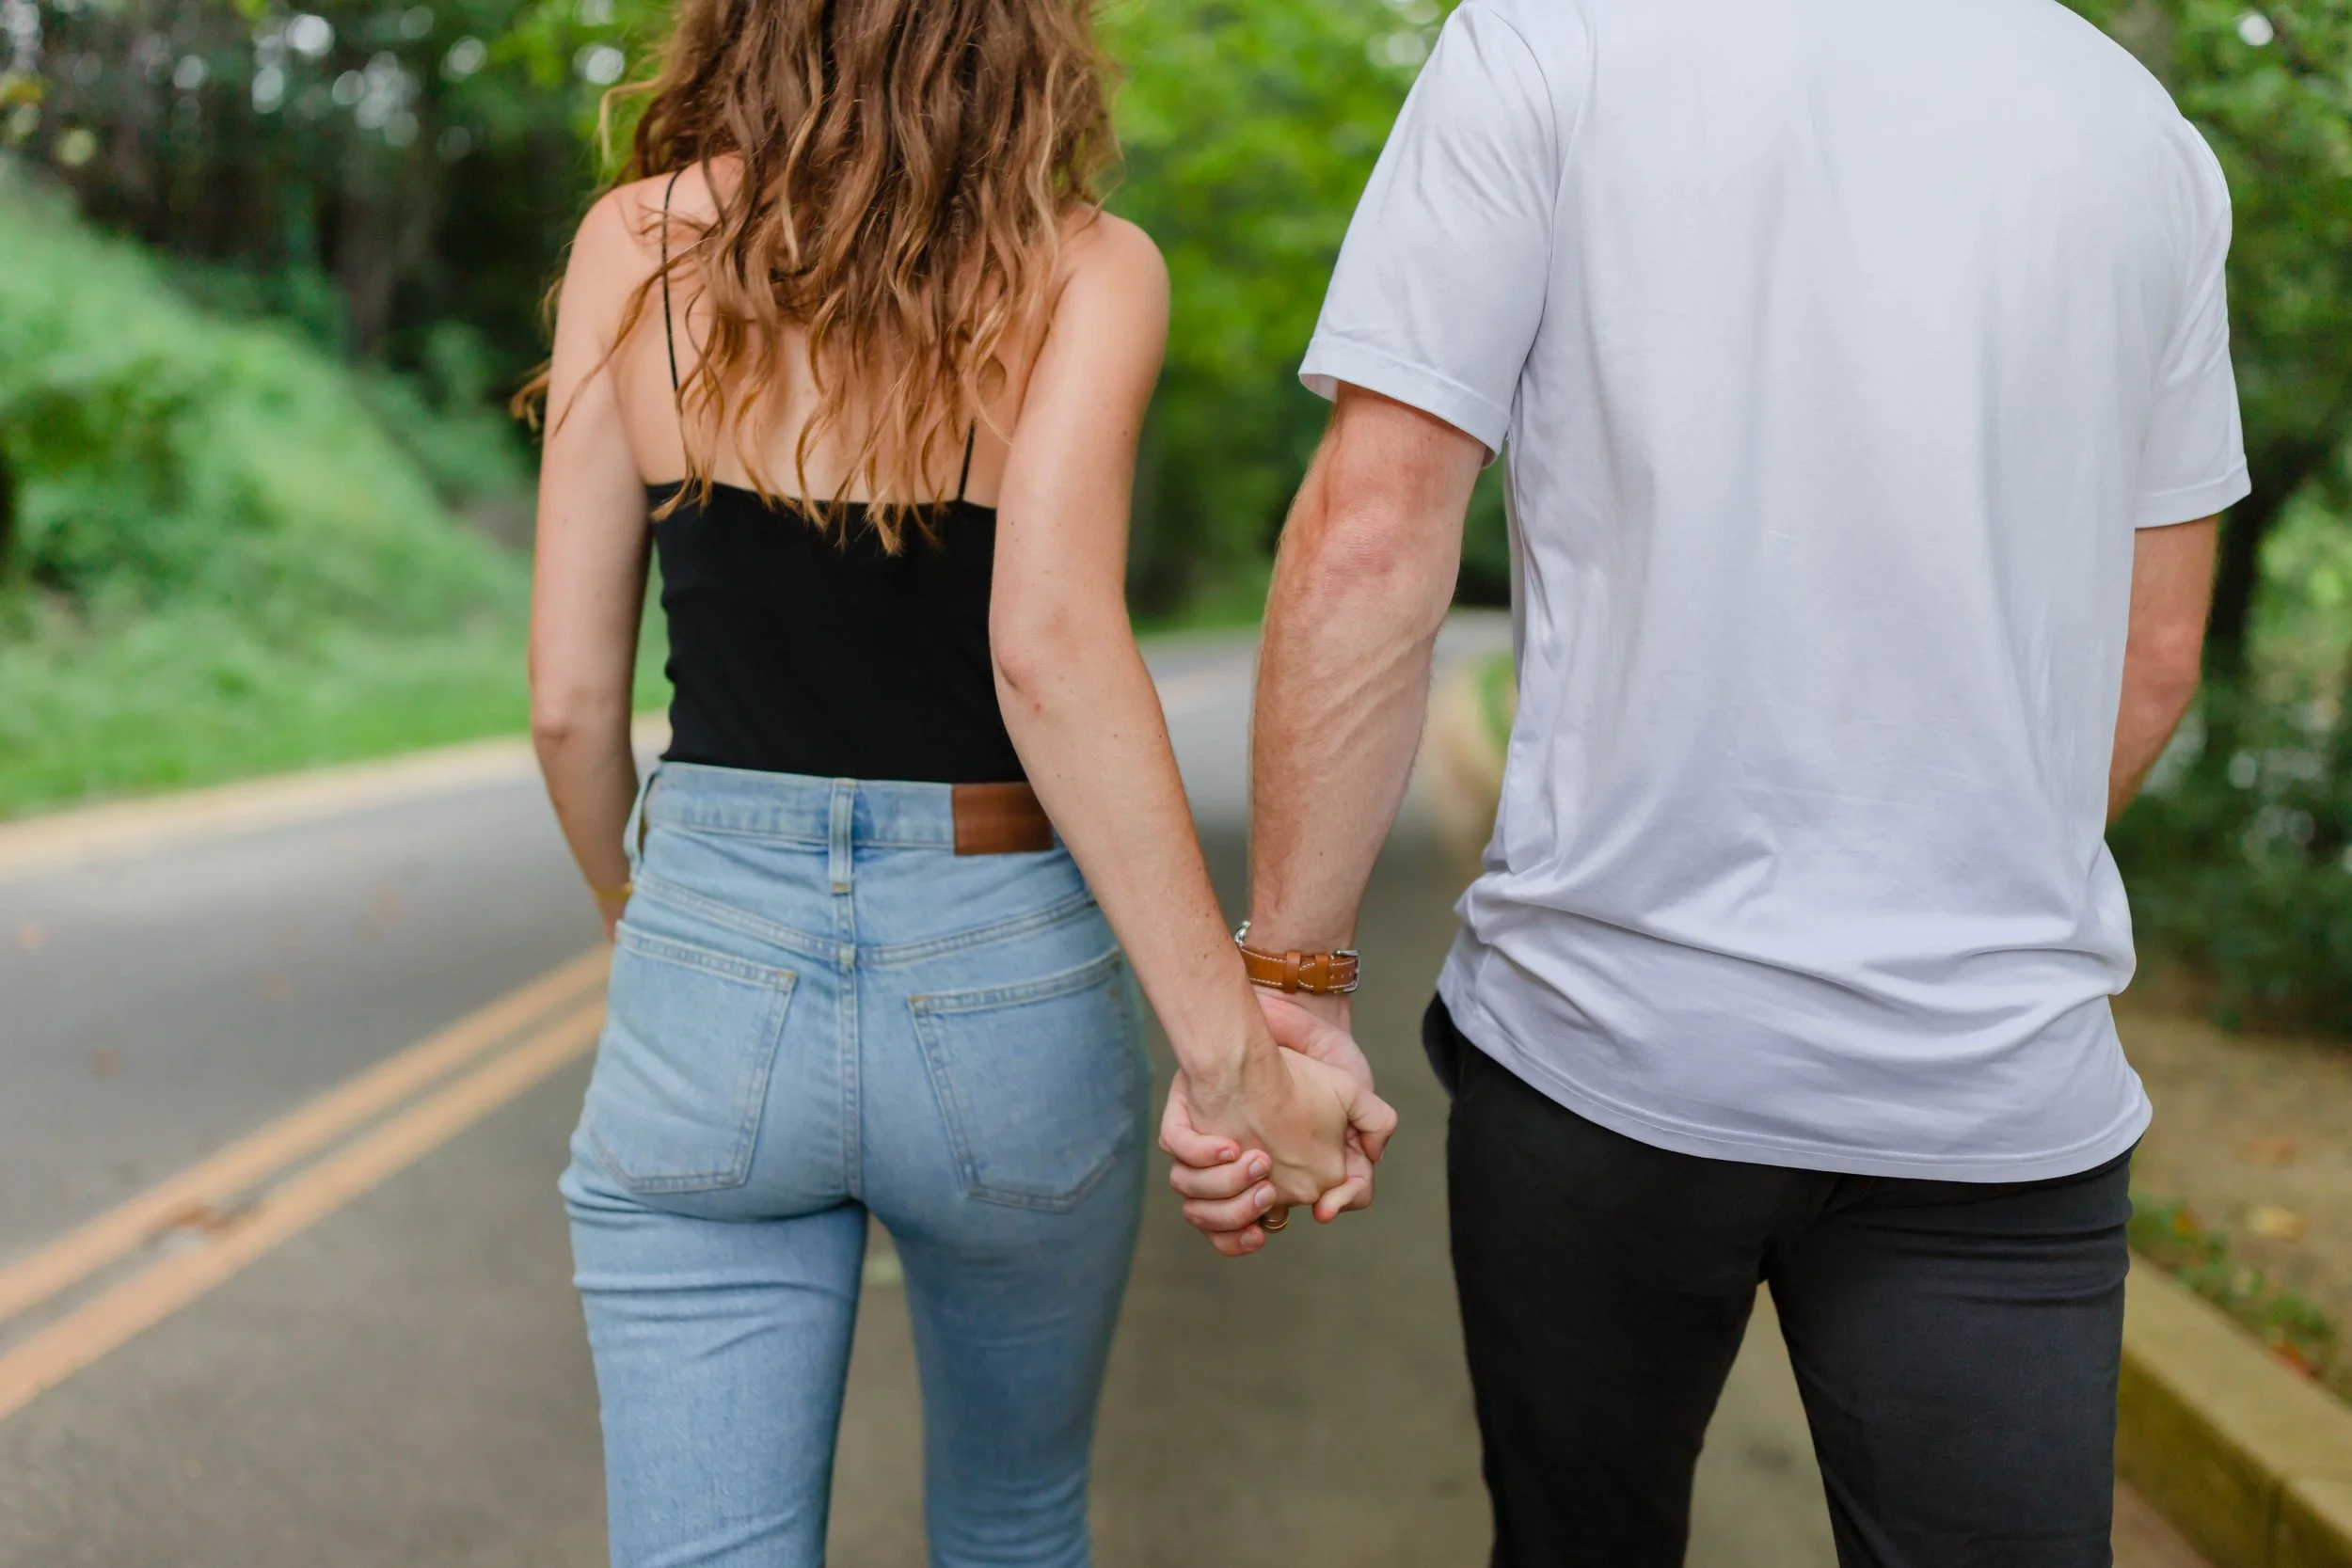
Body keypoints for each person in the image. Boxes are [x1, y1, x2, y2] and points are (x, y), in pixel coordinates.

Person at [1166, 0, 2243, 1561]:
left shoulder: (1546, 44)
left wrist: (1290, 991)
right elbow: (2155, 654)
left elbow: (1371, 536)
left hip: (1612, 1052)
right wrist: (1963, 878)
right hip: (1997, 1095)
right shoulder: (2140, 135)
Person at [524, 0, 1393, 1560]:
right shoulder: (1086, 269)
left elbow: (572, 708)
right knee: (1012, 1519)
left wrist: (631, 916)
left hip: (708, 952)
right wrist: (1238, 1066)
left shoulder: (630, 247)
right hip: (1003, 981)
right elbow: (1048, 648)